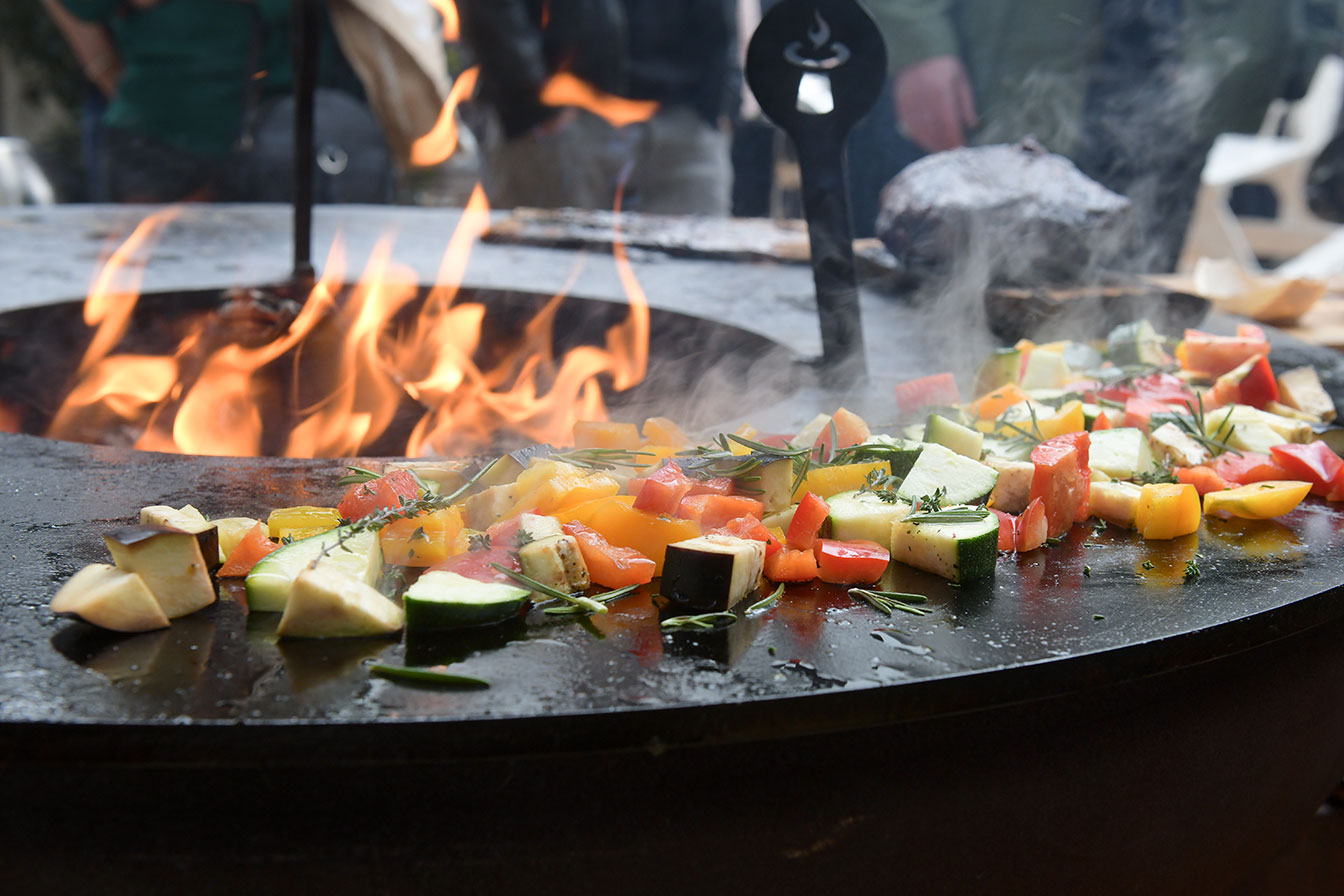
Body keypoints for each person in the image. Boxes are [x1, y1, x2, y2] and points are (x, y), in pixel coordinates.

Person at [860, 0, 1341, 269]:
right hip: (1004, 60)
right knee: (946, 276)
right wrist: (917, 38)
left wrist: (1307, 39)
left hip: (1192, 68)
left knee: (1129, 293)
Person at [455, 0, 739, 216]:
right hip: (564, 125)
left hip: (686, 124)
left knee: (692, 284)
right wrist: (532, 105)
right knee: (550, 283)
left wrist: (719, 100)